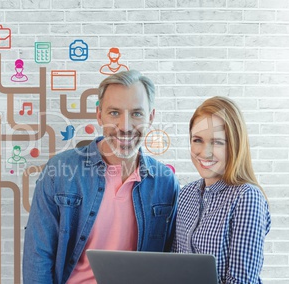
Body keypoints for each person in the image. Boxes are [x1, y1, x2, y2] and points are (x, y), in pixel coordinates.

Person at [23, 70, 180, 284]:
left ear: (150, 117)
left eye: (137, 113)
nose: (125, 127)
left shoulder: (165, 182)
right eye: (114, 113)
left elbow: (171, 261)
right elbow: (38, 257)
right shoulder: (58, 171)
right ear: (99, 115)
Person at [172, 96, 271, 283]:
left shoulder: (247, 197)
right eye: (197, 140)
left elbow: (241, 280)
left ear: (234, 145)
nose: (205, 152)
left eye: (217, 142)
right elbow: (176, 265)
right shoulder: (186, 194)